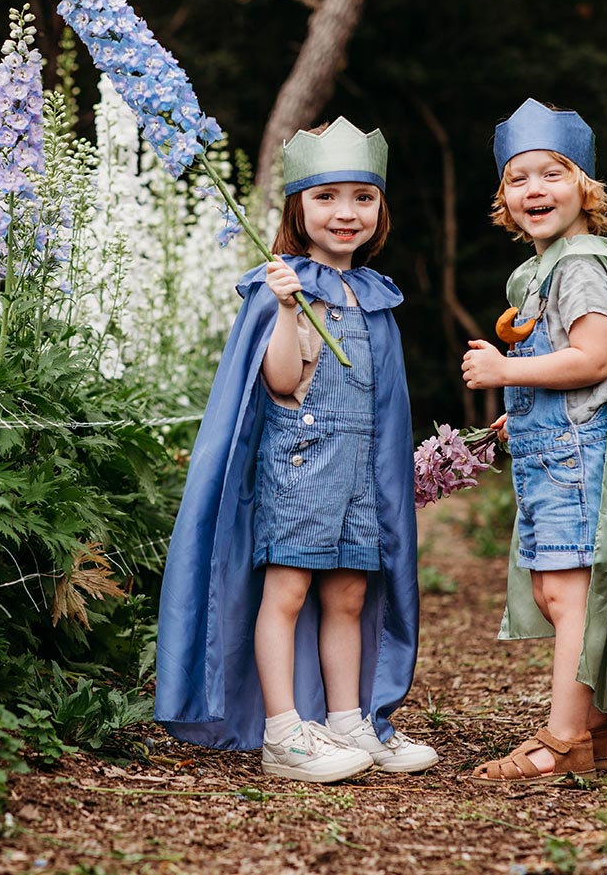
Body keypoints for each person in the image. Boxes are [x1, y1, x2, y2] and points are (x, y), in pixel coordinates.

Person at [155, 117, 438, 783]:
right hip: (302, 468)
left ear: (381, 208)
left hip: (359, 477)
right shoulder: (281, 285)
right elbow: (281, 380)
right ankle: (284, 733)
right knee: (285, 594)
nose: (346, 213)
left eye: (362, 198)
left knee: (345, 597)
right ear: (297, 206)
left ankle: (348, 722)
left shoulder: (374, 296)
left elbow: (384, 404)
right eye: (326, 197)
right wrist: (286, 307)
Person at [461, 99, 607, 783]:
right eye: (519, 179)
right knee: (555, 592)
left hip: (575, 461)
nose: (534, 190)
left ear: (586, 190)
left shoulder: (580, 268)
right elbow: (567, 370)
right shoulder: (544, 270)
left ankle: (563, 740)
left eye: (553, 174)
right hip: (550, 455)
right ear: (505, 200)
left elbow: (594, 358)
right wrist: (523, 405)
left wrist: (508, 369)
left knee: (569, 594)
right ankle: (598, 728)